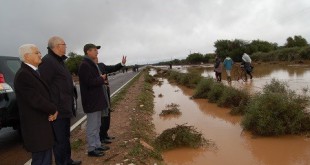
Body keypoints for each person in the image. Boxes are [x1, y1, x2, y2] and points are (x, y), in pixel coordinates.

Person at [39, 36, 81, 165]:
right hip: (57, 110)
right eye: (64, 44)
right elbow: (43, 87)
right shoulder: (47, 62)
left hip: (65, 107)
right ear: (57, 46)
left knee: (65, 138)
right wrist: (52, 108)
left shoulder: (59, 61)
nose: (66, 46)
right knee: (59, 141)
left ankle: (67, 160)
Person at [14, 44, 58, 165]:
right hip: (36, 128)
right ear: (27, 56)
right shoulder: (23, 75)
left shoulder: (33, 72)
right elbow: (36, 100)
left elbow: (44, 96)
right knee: (41, 160)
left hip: (42, 126)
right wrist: (53, 109)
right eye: (37, 52)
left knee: (46, 158)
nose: (40, 55)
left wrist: (52, 110)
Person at [78, 43, 110, 157]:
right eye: (95, 50)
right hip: (91, 102)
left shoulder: (90, 64)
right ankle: (92, 149)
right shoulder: (85, 65)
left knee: (97, 125)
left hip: (96, 101)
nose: (97, 52)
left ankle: (97, 145)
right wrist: (101, 79)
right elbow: (89, 82)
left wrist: (100, 79)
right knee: (92, 127)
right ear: (88, 51)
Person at [97, 56, 126, 144]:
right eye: (94, 51)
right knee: (102, 117)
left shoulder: (101, 65)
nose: (97, 55)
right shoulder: (89, 67)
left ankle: (105, 134)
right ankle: (101, 137)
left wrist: (122, 64)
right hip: (99, 96)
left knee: (107, 115)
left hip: (106, 94)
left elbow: (112, 68)